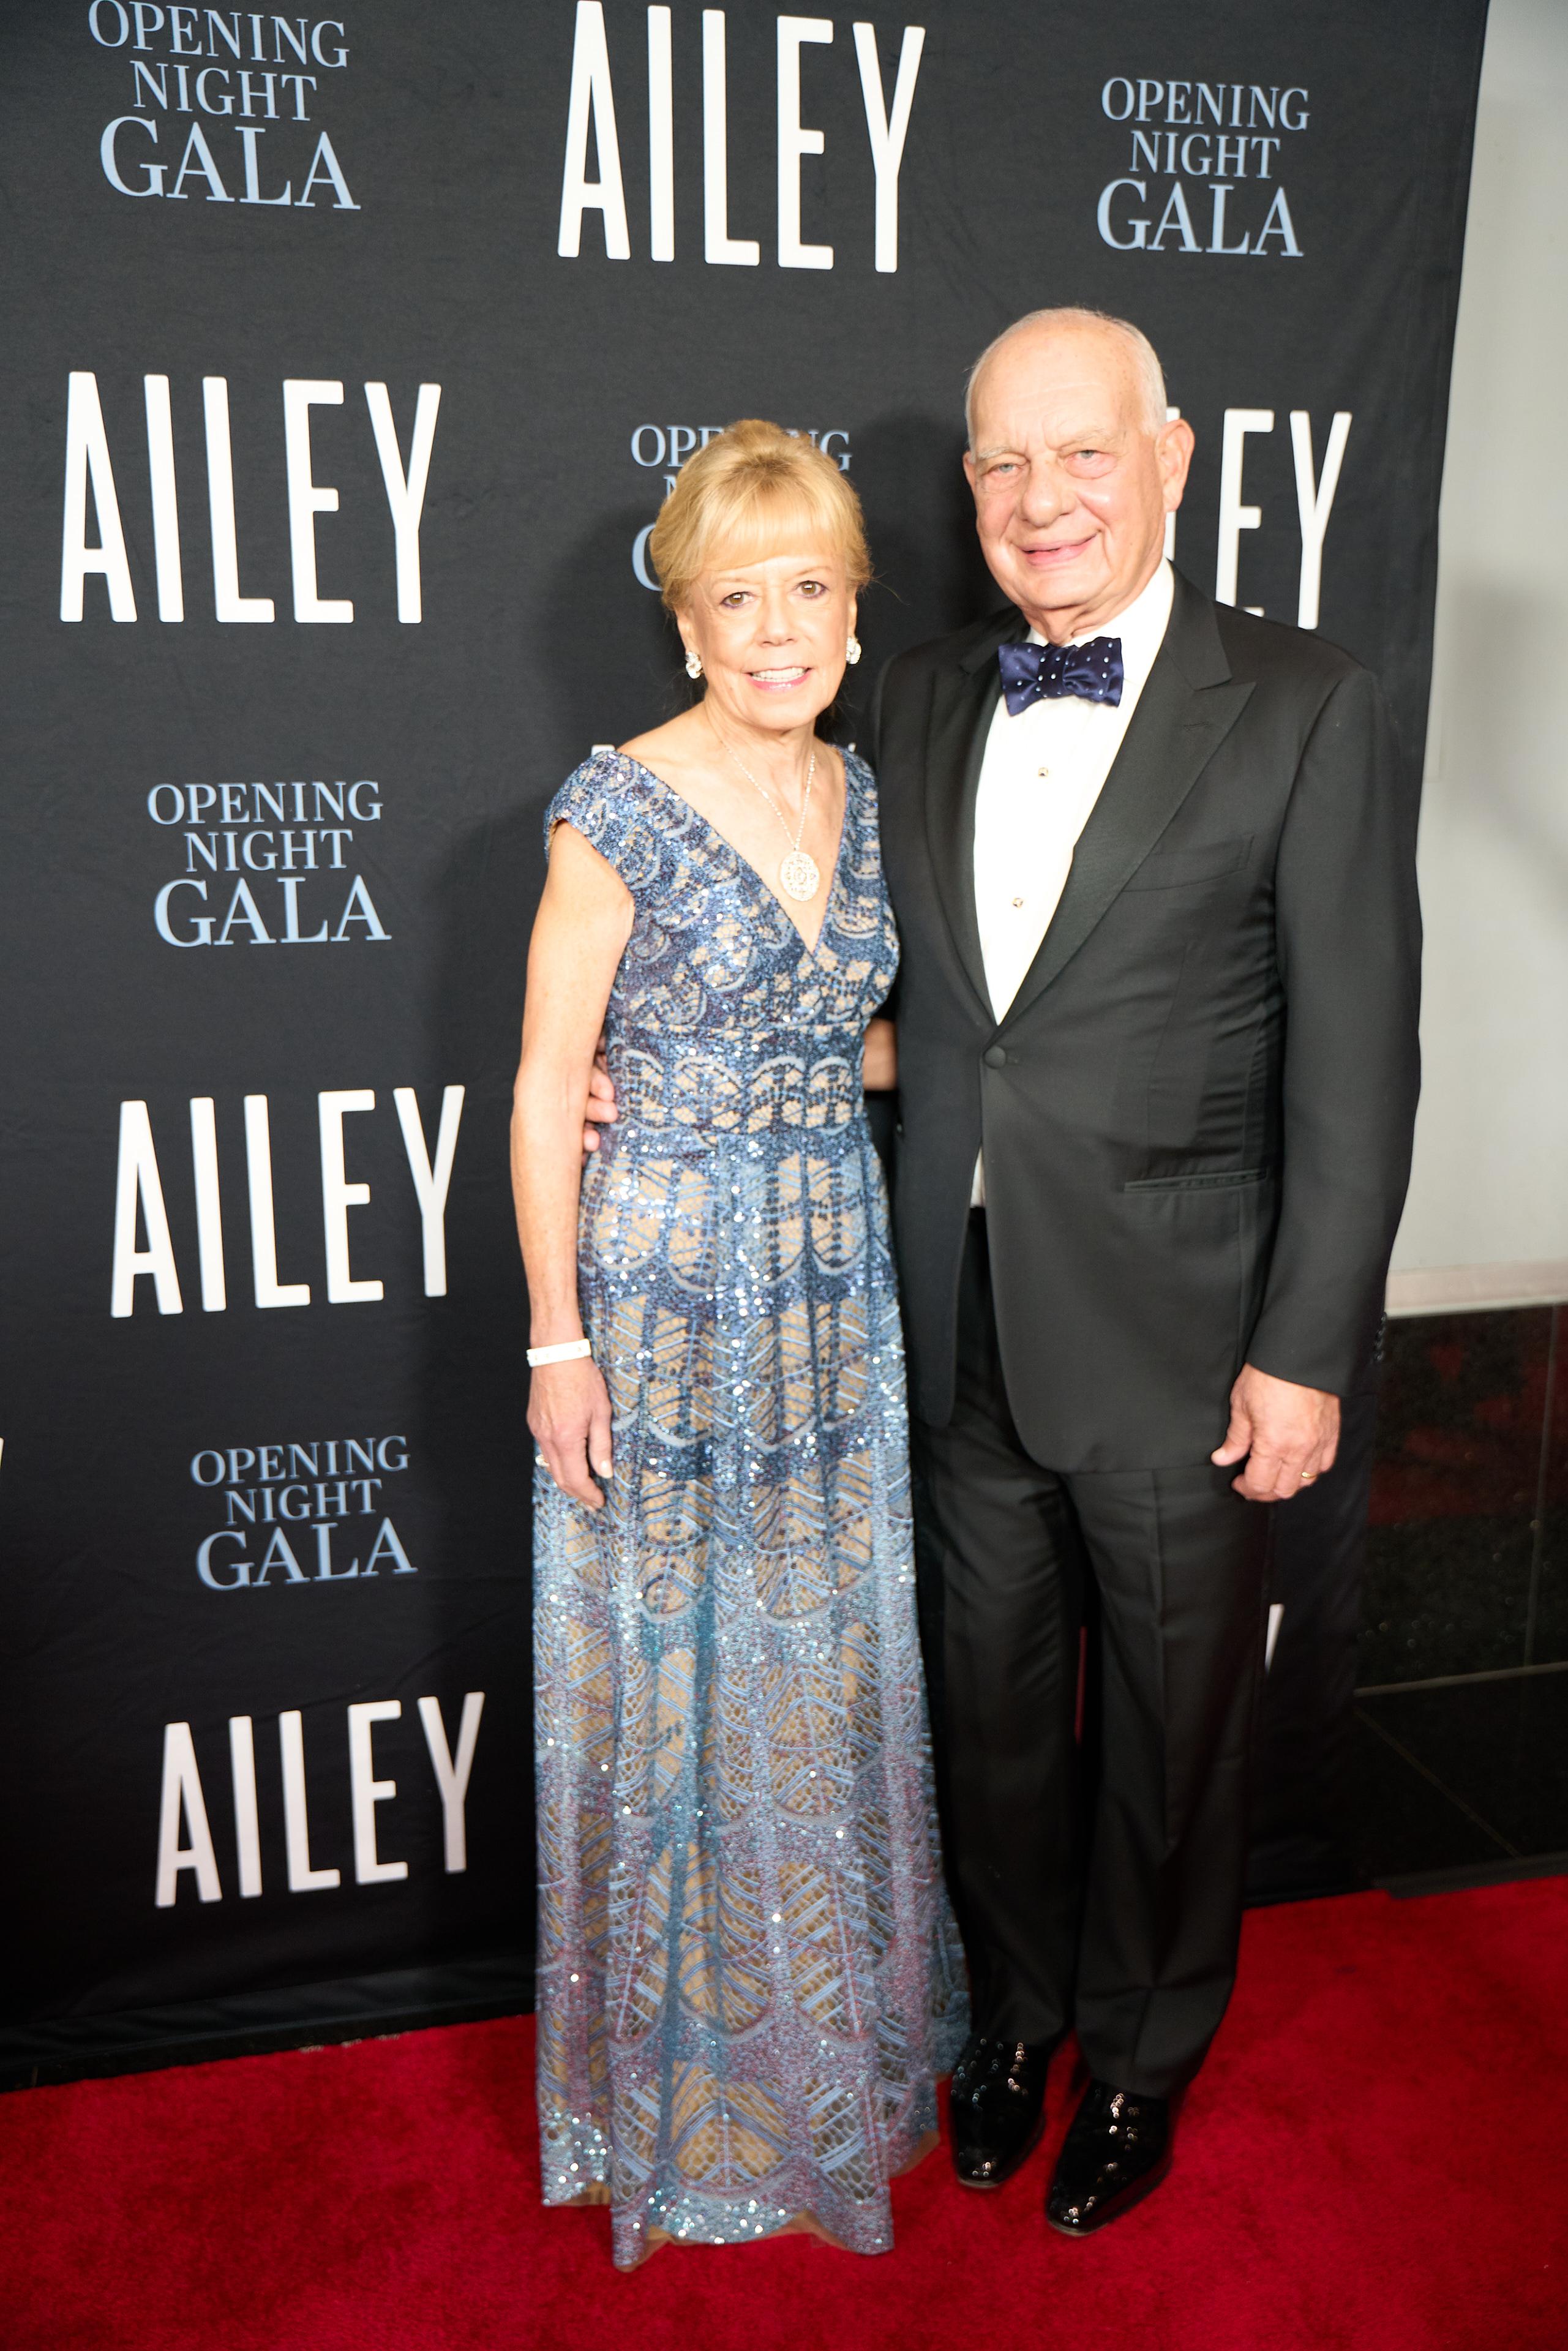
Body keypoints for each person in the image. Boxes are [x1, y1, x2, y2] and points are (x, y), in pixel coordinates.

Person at [870, 307, 1422, 2234]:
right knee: (991, 1718)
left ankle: (1138, 2054)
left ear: (1171, 459)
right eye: (1003, 462)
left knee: (1172, 1744)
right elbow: (911, 1012)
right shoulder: (913, 693)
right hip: (953, 1322)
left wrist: (1305, 1348)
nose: (1041, 499)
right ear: (967, 486)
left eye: (1082, 453)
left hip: (1190, 1343)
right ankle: (1016, 2017)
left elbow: (1355, 1064)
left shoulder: (1303, 702)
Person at [511, 420, 965, 2271]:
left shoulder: (872, 793)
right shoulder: (612, 805)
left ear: (853, 611)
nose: (775, 631)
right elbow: (544, 1087)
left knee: (818, 1667)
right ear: (686, 621)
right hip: (665, 1288)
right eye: (735, 598)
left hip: (831, 1279)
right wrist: (556, 1343)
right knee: (674, 1675)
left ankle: (821, 2067)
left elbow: (860, 1041)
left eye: (807, 591)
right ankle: (679, 2101)